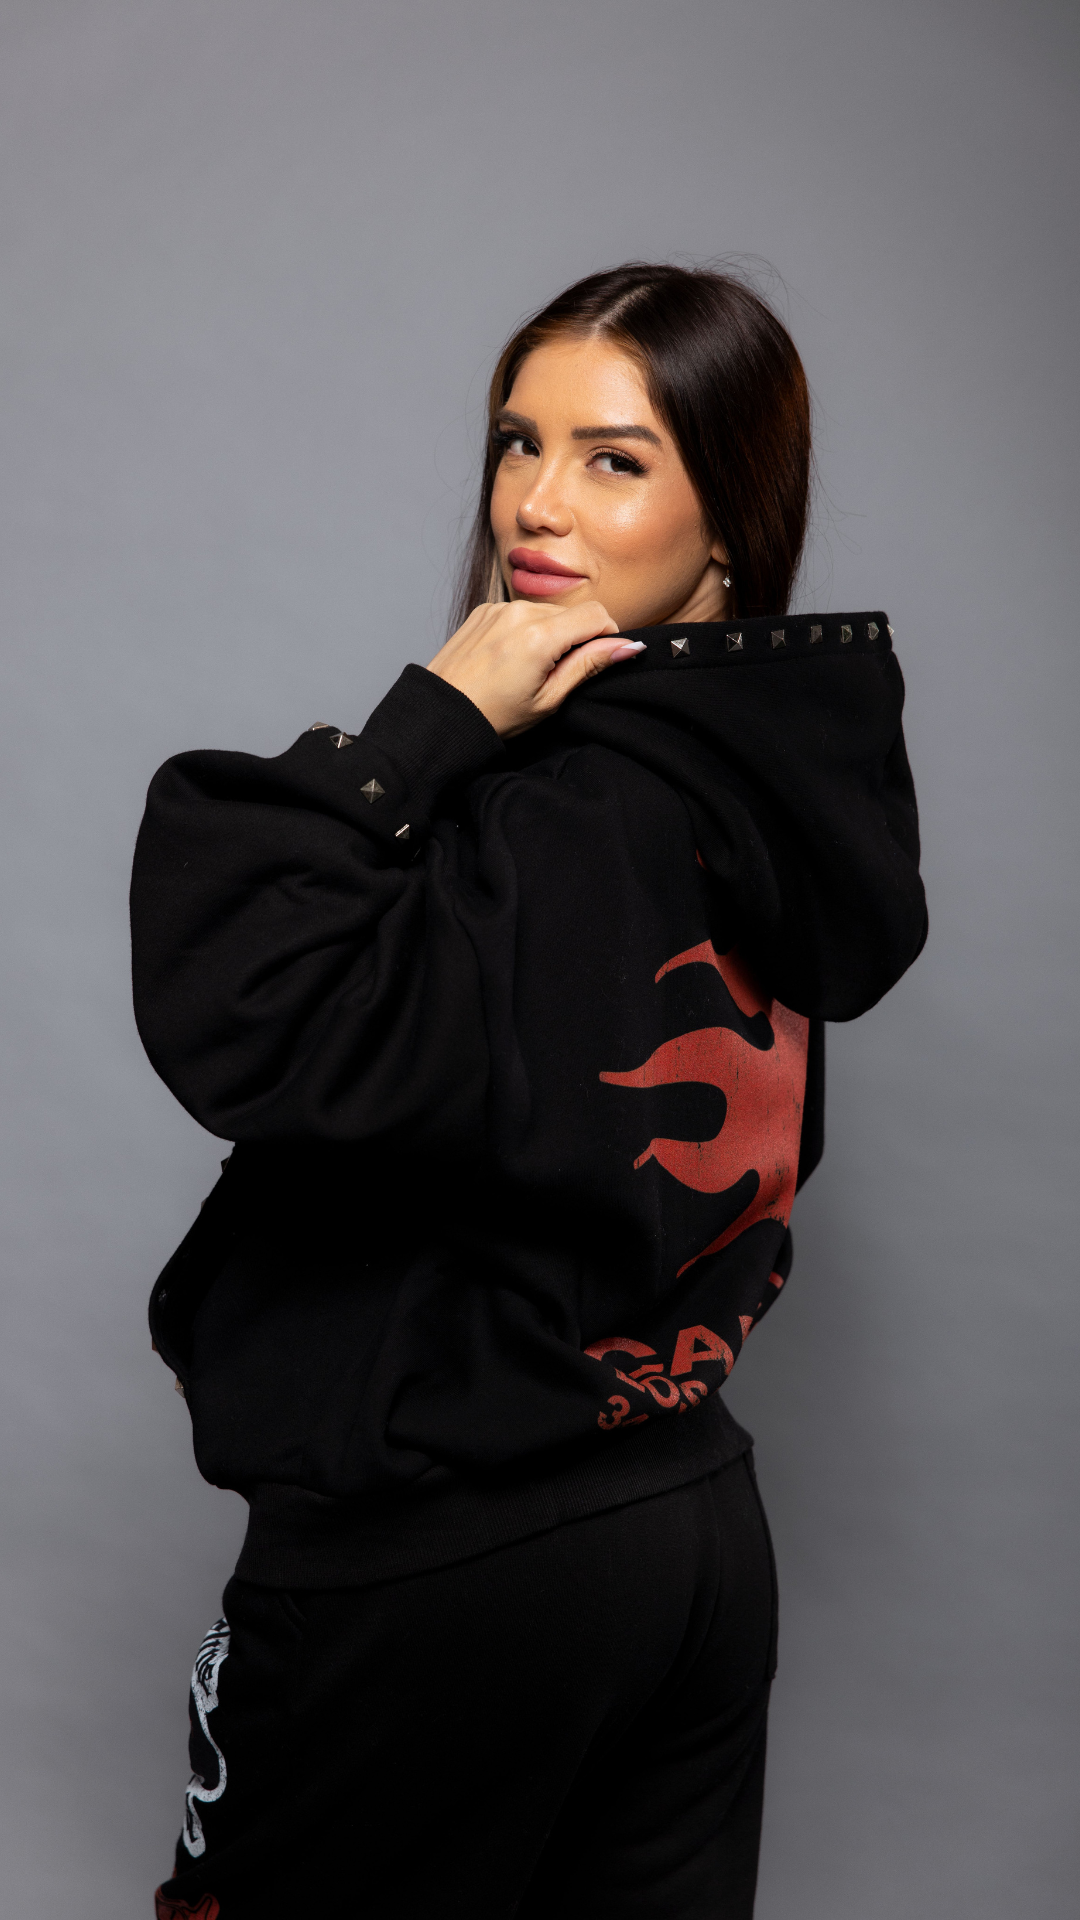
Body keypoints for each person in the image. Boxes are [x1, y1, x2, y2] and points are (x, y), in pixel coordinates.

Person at [133, 262, 927, 1919]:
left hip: (446, 1566)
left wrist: (422, 728)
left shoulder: (564, 818)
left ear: (732, 521)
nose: (536, 504)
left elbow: (245, 1007)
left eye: (613, 458)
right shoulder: (760, 798)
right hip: (691, 1530)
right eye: (518, 442)